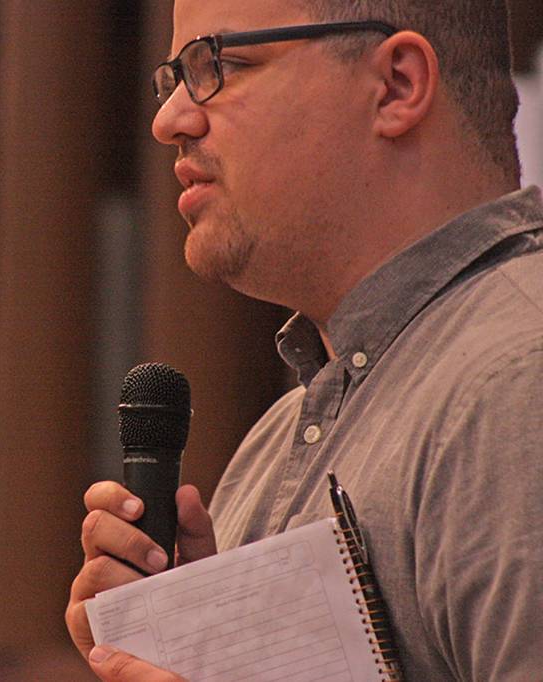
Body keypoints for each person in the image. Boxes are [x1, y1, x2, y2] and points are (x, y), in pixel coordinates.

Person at [66, 0, 542, 680]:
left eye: (220, 65)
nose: (168, 120)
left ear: (397, 85)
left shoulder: (519, 382)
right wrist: (197, 648)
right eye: (173, 77)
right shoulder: (280, 434)